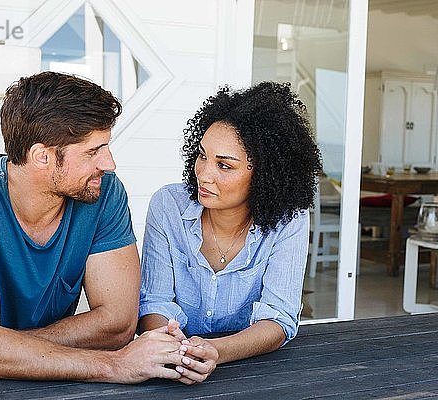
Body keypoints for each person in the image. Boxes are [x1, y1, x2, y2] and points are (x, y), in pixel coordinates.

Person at [0, 71, 190, 383]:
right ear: (42, 156)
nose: (109, 163)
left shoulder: (103, 193)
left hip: (48, 378)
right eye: (93, 151)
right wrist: (115, 366)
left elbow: (117, 324)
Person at [138, 82, 322, 383]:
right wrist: (177, 350)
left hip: (252, 372)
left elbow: (279, 318)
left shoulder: (290, 219)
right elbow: (154, 302)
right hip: (170, 368)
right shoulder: (168, 205)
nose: (204, 173)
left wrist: (215, 351)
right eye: (202, 156)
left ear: (266, 175)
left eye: (224, 166)